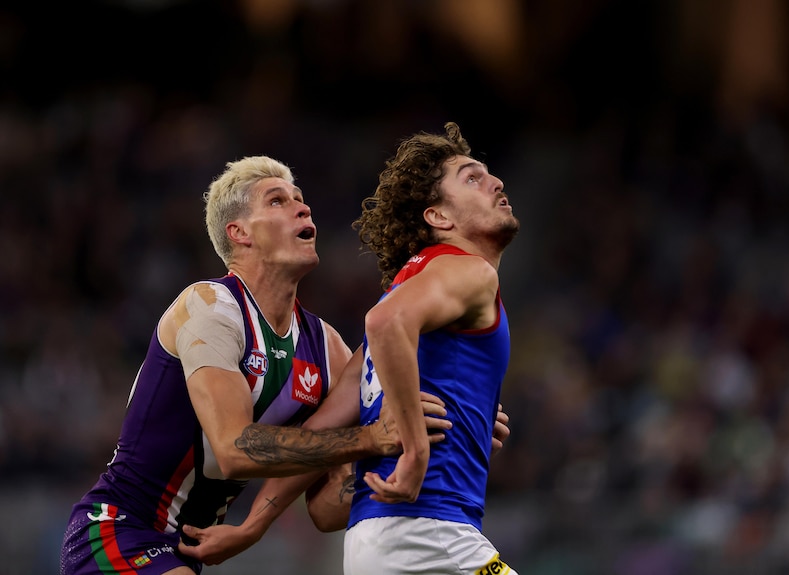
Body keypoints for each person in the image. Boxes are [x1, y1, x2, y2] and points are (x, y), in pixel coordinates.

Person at [59, 155, 452, 575]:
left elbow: (326, 509)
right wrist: (372, 438)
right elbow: (233, 449)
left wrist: (444, 436)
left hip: (183, 554)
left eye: (301, 200)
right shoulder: (209, 307)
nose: (303, 208)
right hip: (116, 531)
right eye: (278, 201)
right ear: (239, 232)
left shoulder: (328, 348)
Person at [337, 121, 521, 574]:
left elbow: (317, 463)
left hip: (370, 542)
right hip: (429, 533)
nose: (495, 182)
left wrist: (253, 524)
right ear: (439, 217)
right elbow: (384, 322)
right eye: (471, 178)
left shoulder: (406, 297)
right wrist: (417, 451)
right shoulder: (471, 271)